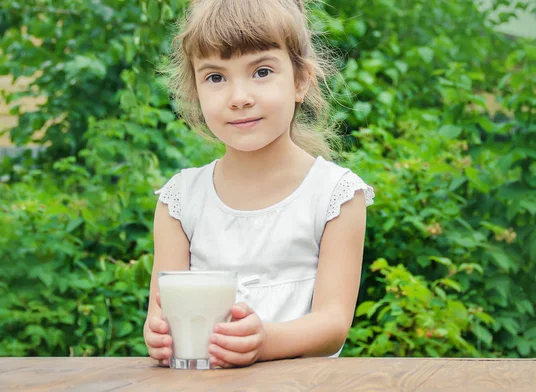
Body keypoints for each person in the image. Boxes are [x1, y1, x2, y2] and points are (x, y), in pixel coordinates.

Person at [143, 0, 374, 369]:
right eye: (215, 77)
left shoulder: (335, 195)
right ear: (195, 91)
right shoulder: (180, 201)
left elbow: (333, 323)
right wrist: (156, 333)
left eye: (262, 71)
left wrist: (264, 341)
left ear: (300, 81)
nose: (239, 98)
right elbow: (160, 312)